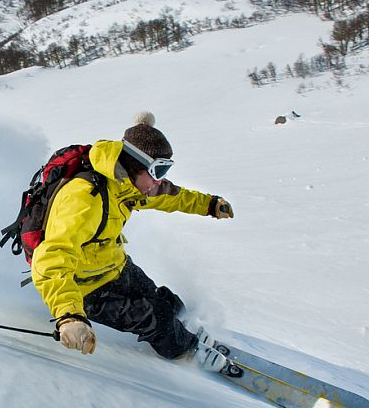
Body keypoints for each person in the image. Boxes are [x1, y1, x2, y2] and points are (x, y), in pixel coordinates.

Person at [31, 111, 234, 371]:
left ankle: (184, 329)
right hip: (85, 288)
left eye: (165, 170)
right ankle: (188, 353)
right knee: (156, 318)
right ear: (136, 164)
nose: (159, 180)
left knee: (163, 299)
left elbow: (168, 195)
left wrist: (209, 204)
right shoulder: (83, 199)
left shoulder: (127, 183)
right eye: (157, 170)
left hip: (113, 266)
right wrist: (69, 316)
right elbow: (52, 258)